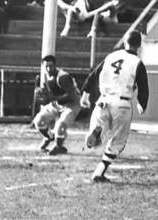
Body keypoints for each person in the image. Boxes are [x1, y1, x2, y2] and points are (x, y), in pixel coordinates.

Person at [85, 30, 149, 183]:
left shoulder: (111, 56)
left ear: (124, 42)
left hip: (103, 100)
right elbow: (143, 86)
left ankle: (97, 133)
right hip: (122, 103)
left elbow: (94, 74)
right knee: (118, 142)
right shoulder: (137, 62)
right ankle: (99, 172)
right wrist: (142, 102)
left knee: (101, 127)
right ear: (139, 45)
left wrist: (86, 93)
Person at [33, 55, 82, 155]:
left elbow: (72, 96)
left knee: (61, 125)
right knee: (38, 120)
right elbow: (51, 95)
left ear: (55, 66)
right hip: (57, 103)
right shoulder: (46, 76)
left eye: (51, 66)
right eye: (46, 66)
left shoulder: (63, 77)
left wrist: (53, 98)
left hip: (72, 104)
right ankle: (49, 137)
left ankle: (59, 147)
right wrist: (46, 97)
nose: (48, 69)